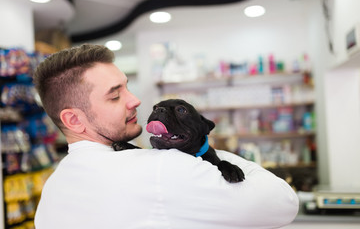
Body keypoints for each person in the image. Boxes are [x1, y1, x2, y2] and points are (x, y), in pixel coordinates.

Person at [33, 44, 299, 229]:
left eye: (127, 88)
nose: (135, 101)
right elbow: (283, 203)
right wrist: (201, 147)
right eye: (115, 95)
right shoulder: (160, 168)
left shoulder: (52, 190)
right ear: (73, 120)